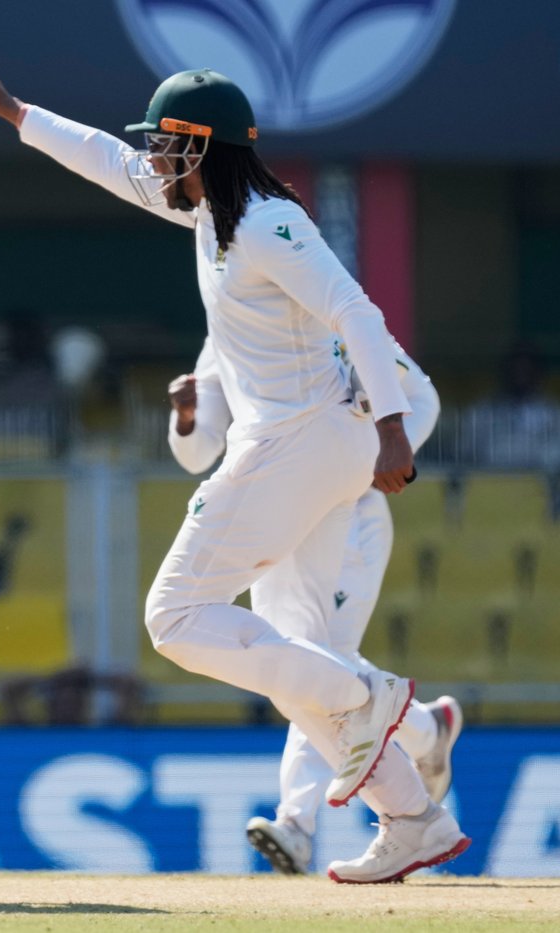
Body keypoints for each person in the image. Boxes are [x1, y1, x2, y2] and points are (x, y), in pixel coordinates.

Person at [0, 32, 468, 882]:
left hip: (304, 441)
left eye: (166, 142)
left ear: (201, 147)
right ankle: (413, 811)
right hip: (310, 447)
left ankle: (375, 700)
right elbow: (108, 161)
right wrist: (11, 111)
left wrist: (393, 426)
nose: (152, 155)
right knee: (296, 650)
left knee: (176, 616)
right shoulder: (212, 213)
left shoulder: (269, 222)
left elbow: (359, 315)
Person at [168, 336, 465, 873]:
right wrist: (187, 417)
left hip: (350, 515)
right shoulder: (230, 329)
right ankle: (426, 730)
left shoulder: (331, 318)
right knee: (304, 659)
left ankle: (298, 823)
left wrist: (371, 463)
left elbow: (420, 397)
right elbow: (196, 452)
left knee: (316, 658)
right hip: (279, 511)